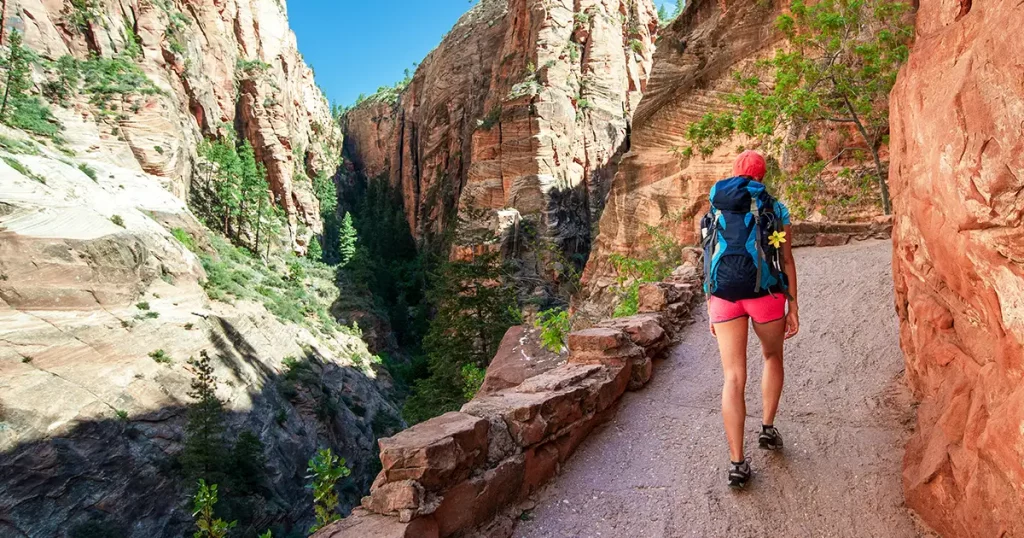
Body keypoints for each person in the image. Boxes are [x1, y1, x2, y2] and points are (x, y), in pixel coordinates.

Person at [700, 150, 800, 489]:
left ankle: (737, 463)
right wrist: (793, 304)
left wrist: (710, 303)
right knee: (772, 357)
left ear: (735, 173)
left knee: (732, 377)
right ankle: (768, 430)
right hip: (766, 295)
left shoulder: (716, 205)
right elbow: (786, 259)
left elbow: (708, 251)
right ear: (761, 175)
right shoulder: (776, 208)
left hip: (723, 297)